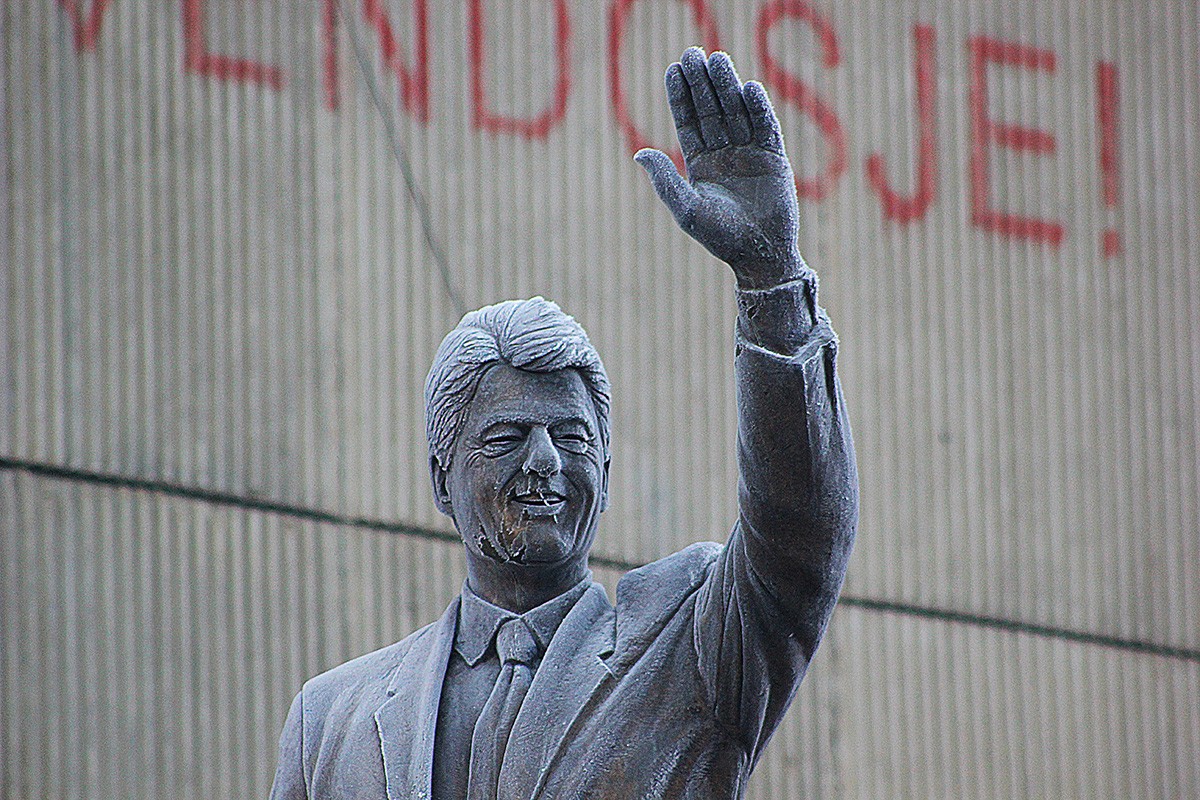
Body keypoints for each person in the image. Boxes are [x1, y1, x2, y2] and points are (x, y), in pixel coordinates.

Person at [269, 47, 857, 800]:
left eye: (573, 439)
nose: (546, 460)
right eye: (507, 437)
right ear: (440, 478)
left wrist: (771, 280)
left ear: (605, 477)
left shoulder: (691, 652)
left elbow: (801, 533)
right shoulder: (331, 721)